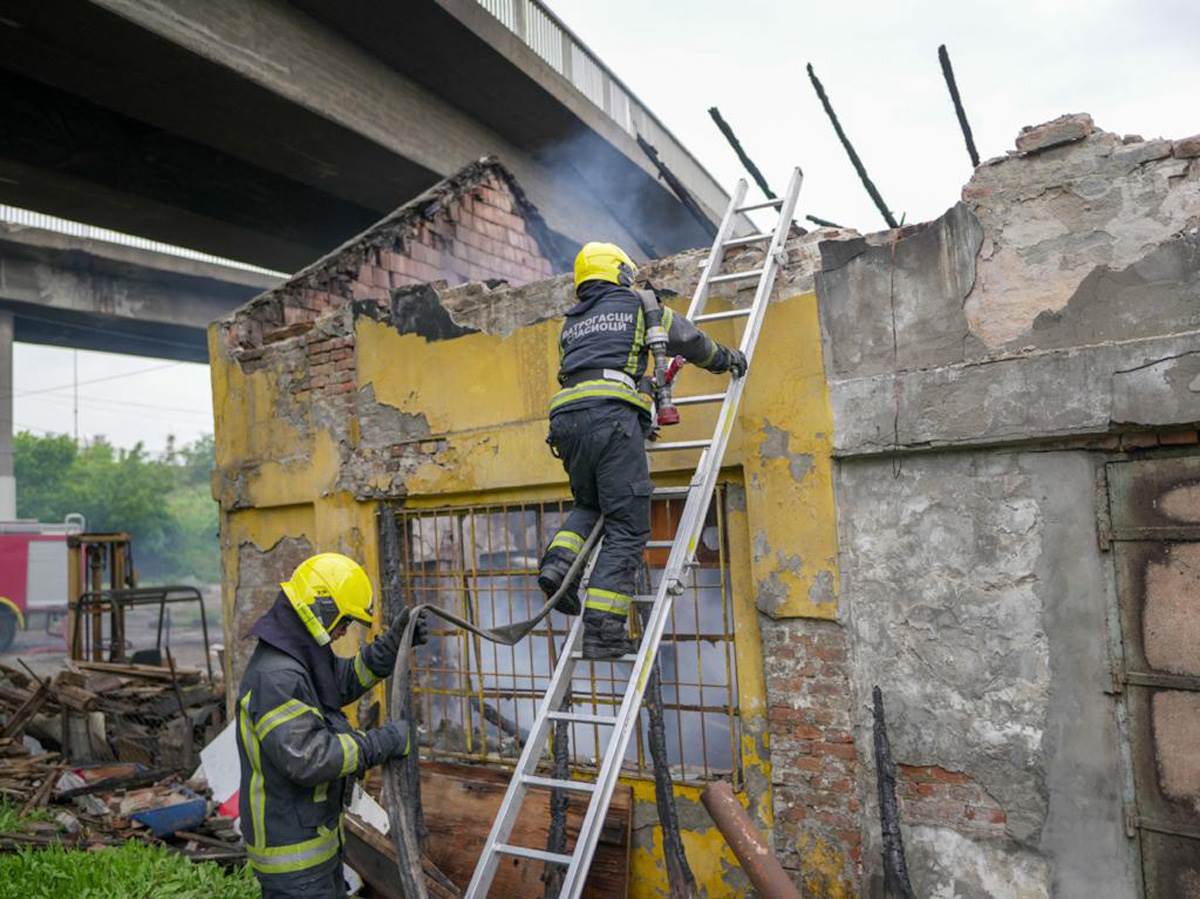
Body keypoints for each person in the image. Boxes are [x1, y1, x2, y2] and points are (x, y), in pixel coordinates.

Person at [538, 242, 747, 660]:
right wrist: (727, 359)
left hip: (566, 421)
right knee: (627, 527)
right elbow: (691, 341)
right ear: (619, 272)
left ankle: (558, 567)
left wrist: (642, 394)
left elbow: (596, 368)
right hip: (611, 420)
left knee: (589, 503)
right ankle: (604, 633)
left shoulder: (571, 324)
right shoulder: (640, 306)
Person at [235, 552, 428, 898]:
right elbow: (309, 758)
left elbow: (341, 682)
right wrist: (381, 743)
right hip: (294, 865)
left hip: (311, 849)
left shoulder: (299, 653)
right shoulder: (276, 677)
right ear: (322, 608)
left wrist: (390, 647)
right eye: (345, 620)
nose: (343, 632)